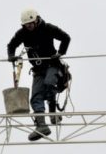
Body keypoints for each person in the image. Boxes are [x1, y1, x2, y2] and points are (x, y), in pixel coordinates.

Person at [7, 9, 71, 141]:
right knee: (36, 97)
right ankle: (41, 126)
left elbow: (66, 38)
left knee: (49, 84)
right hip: (38, 69)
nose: (29, 26)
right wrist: (11, 56)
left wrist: (60, 53)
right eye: (26, 24)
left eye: (31, 23)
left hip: (53, 65)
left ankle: (53, 114)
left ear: (36, 20)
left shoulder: (48, 28)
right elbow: (11, 45)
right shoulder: (22, 33)